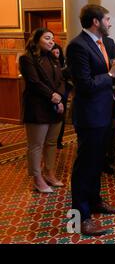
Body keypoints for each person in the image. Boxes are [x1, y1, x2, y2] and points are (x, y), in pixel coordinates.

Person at [66, 4, 115, 236]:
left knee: (96, 164)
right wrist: (111, 74)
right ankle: (80, 218)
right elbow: (85, 85)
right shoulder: (77, 46)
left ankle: (94, 201)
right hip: (89, 115)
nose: (110, 23)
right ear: (95, 21)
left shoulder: (105, 43)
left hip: (104, 112)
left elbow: (108, 75)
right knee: (84, 167)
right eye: (108, 19)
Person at [19, 28, 65, 193]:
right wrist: (52, 95)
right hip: (37, 106)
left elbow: (61, 80)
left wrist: (59, 96)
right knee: (36, 145)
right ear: (37, 39)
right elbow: (34, 82)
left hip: (55, 105)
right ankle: (37, 178)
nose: (51, 41)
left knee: (52, 142)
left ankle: (49, 173)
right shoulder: (27, 58)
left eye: (52, 38)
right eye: (47, 38)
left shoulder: (53, 58)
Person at [51, 43, 72, 150]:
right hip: (50, 95)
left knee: (61, 118)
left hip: (63, 94)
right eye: (53, 52)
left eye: (57, 52)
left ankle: (59, 140)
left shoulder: (64, 66)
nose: (56, 54)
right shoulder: (48, 65)